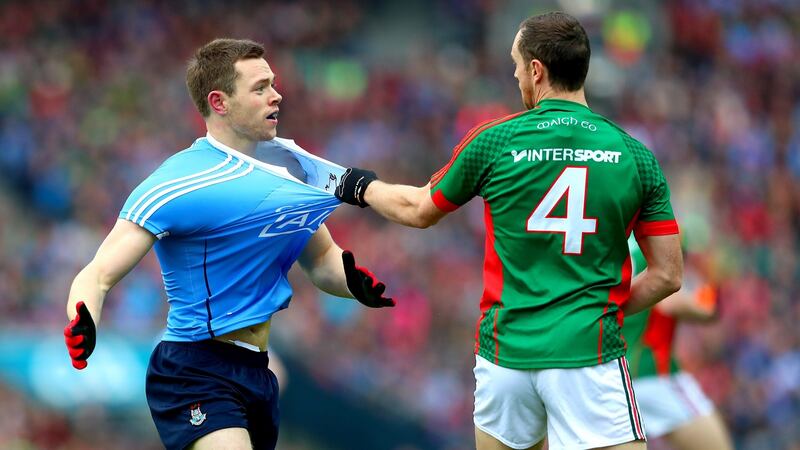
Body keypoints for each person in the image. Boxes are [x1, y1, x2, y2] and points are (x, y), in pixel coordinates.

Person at [336, 11, 683, 450]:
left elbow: (417, 209)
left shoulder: (496, 142)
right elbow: (668, 275)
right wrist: (603, 311)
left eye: (516, 63)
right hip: (587, 357)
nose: (515, 73)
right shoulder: (634, 155)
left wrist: (358, 186)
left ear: (536, 70)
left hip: (505, 361)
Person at [63, 38, 394, 450]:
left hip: (258, 370)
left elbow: (322, 257)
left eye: (273, 83)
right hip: (195, 368)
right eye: (260, 88)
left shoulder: (288, 174)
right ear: (219, 102)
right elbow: (98, 273)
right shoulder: (177, 183)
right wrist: (84, 319)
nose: (277, 95)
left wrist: (351, 281)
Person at [626, 238, 733, 450]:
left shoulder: (620, 252)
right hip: (656, 381)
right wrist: (715, 281)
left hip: (620, 381)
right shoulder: (658, 275)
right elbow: (706, 310)